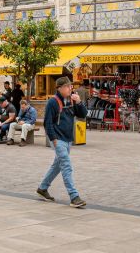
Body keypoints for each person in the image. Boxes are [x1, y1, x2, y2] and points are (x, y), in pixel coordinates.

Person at [37, 77, 88, 208]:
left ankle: (42, 188)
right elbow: (47, 123)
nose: (70, 88)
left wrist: (79, 102)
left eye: (70, 86)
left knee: (57, 166)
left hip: (67, 139)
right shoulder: (53, 102)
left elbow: (83, 115)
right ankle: (74, 196)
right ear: (59, 88)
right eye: (67, 86)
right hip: (58, 139)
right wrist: (53, 140)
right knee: (66, 165)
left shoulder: (72, 100)